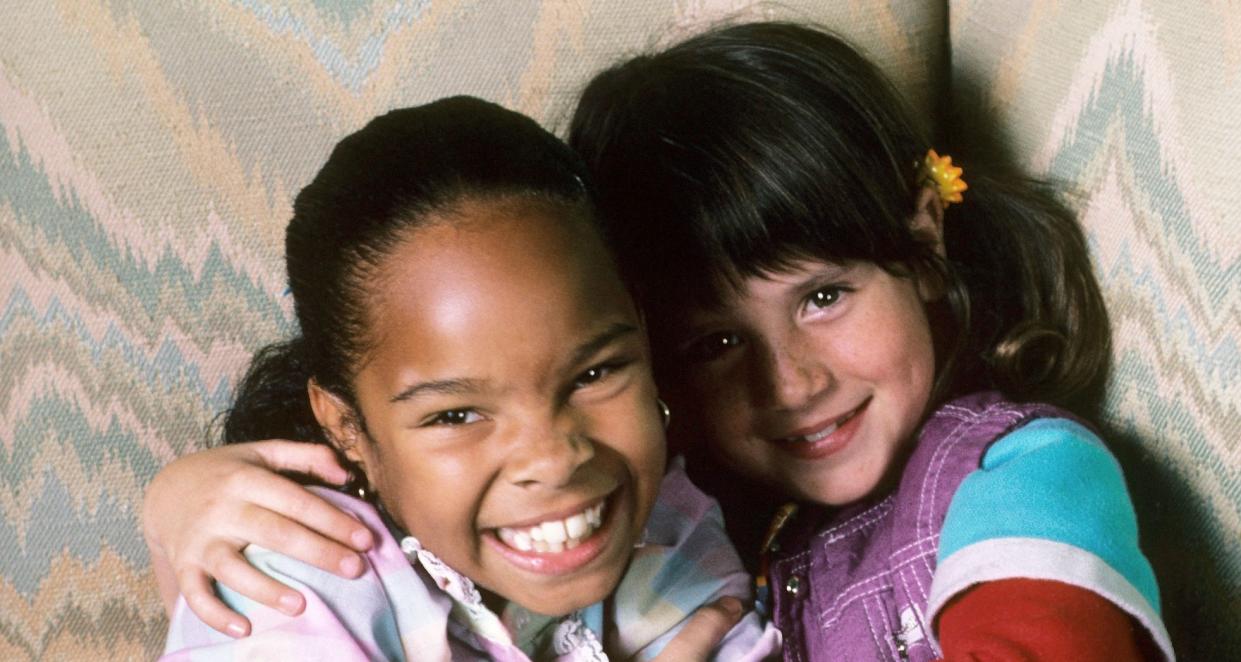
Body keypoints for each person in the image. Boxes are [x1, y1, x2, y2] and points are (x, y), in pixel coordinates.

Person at [144, 22, 1173, 660]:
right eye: (717, 340)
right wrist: (182, 494)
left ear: (919, 231)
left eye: (821, 295)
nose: (793, 382)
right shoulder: (676, 498)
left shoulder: (1009, 472)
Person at [153, 96, 779, 661]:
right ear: (347, 426)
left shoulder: (673, 532)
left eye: (595, 372)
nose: (553, 460)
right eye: (455, 415)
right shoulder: (292, 583)